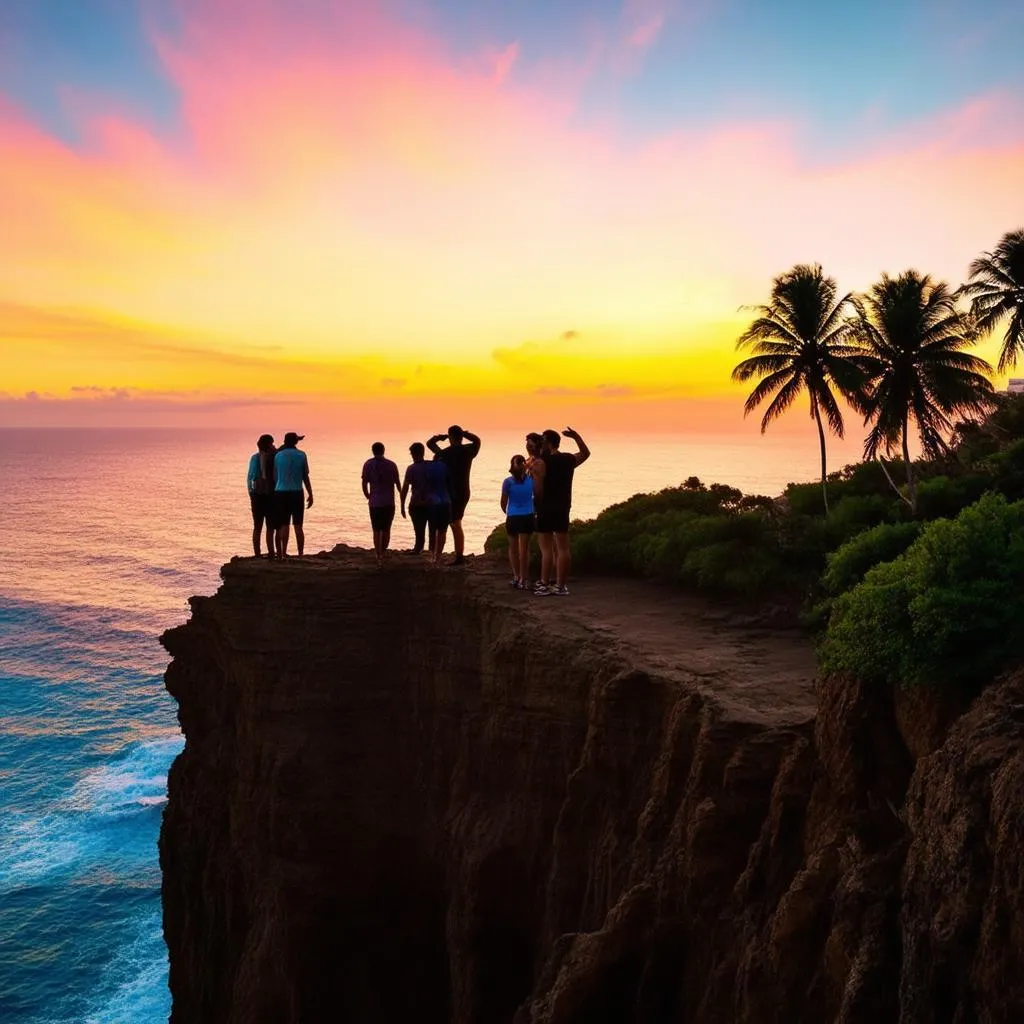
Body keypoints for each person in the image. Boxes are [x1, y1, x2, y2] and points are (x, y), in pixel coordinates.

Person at [531, 427, 590, 596]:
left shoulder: (541, 462)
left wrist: (536, 506)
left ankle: (544, 583)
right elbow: (585, 454)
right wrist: (576, 437)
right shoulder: (568, 459)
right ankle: (561, 586)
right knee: (563, 548)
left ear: (548, 443)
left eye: (542, 441)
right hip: (563, 506)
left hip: (545, 507)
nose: (541, 444)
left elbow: (539, 490)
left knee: (546, 549)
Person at [426, 425, 481, 565]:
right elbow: (477, 441)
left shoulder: (445, 454)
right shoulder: (468, 451)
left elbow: (430, 444)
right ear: (461, 437)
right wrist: (465, 433)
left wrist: (440, 437)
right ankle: (458, 555)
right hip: (464, 491)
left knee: (451, 524)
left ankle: (453, 556)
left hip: (449, 492)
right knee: (456, 523)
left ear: (450, 438)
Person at [361, 441, 402, 567]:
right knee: (386, 529)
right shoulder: (392, 465)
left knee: (376, 530)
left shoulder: (368, 464)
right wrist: (402, 497)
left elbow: (364, 483)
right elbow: (398, 483)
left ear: (373, 451)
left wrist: (368, 496)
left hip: (374, 502)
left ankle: (378, 555)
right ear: (383, 450)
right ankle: (383, 553)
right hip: (388, 502)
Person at [274, 432, 313, 557]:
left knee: (284, 524)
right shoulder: (301, 455)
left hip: (280, 492)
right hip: (296, 492)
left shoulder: (278, 455)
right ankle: (300, 553)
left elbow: (275, 475)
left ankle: (283, 552)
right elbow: (305, 476)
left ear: (285, 442)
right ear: (296, 442)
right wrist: (310, 493)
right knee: (298, 525)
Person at [500, 454, 535, 589]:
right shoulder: (531, 480)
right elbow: (536, 496)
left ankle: (516, 576)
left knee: (513, 549)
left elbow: (503, 503)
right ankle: (523, 579)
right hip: (527, 516)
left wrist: (510, 511)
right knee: (524, 550)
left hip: (513, 517)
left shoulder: (507, 482)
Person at [246, 434, 277, 558]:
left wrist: (251, 493)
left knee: (257, 527)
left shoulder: (254, 458)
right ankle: (271, 553)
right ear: (269, 444)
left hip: (256, 496)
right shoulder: (273, 457)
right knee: (270, 527)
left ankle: (257, 554)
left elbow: (251, 478)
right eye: (272, 443)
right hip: (269, 495)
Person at [400, 442, 432, 554]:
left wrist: (402, 506)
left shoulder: (411, 469)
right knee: (432, 529)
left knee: (419, 530)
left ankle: (418, 548)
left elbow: (405, 488)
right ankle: (432, 550)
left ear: (413, 454)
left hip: (416, 503)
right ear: (423, 453)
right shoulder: (431, 465)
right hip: (431, 502)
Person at [423, 454, 452, 566]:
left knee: (432, 529)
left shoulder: (429, 467)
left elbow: (425, 484)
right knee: (442, 530)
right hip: (445, 501)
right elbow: (450, 484)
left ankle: (432, 555)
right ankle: (438, 556)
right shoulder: (446, 467)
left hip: (432, 502)